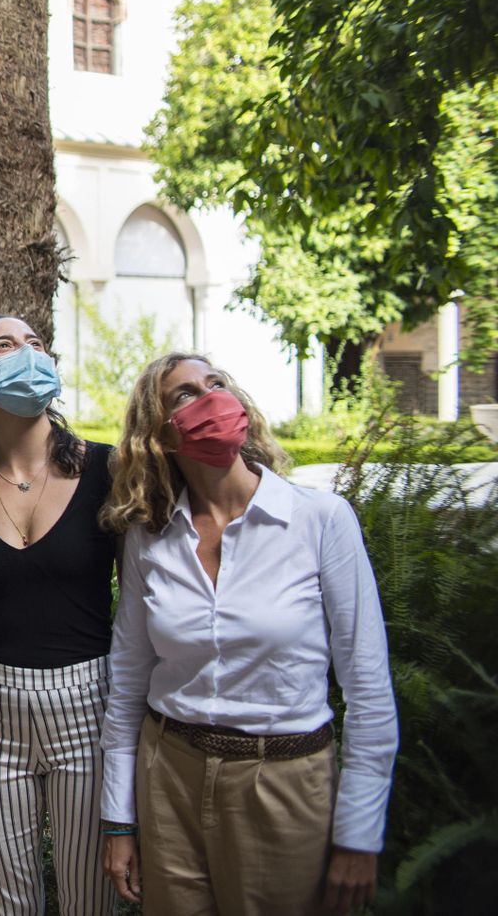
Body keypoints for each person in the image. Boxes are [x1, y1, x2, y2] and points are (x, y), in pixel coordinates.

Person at [97, 353, 398, 915]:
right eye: (184, 395)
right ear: (158, 433)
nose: (210, 398)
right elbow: (129, 679)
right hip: (168, 777)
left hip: (282, 781)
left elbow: (369, 688)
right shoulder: (150, 537)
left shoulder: (320, 519)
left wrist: (359, 833)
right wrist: (120, 819)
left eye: (217, 384)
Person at [0, 315, 117, 915]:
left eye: (36, 343)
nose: (28, 353)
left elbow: (139, 602)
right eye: (5, 346)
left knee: (91, 901)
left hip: (88, 703)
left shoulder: (108, 471)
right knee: (11, 907)